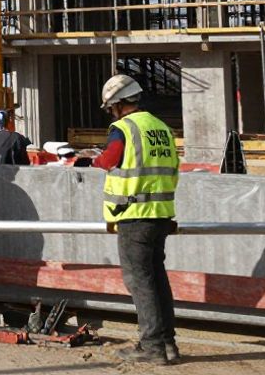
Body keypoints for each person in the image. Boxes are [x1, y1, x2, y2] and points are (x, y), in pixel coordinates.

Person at [89, 74, 180, 366]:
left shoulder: (123, 128)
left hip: (134, 216)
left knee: (140, 282)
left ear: (116, 104)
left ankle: (152, 346)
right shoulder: (161, 128)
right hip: (161, 215)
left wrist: (94, 160)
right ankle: (168, 343)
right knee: (157, 279)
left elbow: (111, 159)